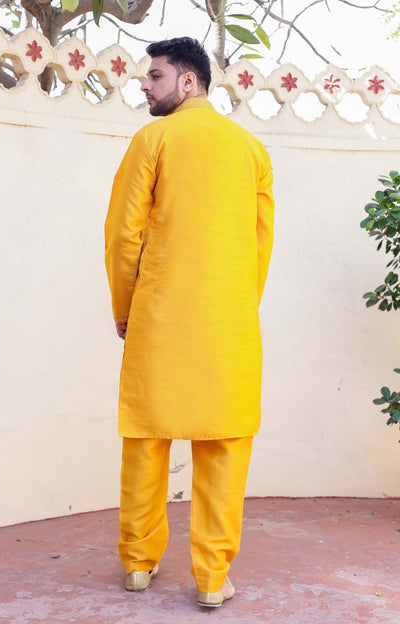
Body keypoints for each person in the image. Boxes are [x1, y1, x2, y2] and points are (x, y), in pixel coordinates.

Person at [104, 37, 274, 608]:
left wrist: (125, 308)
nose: (144, 85)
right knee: (224, 442)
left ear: (188, 81)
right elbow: (260, 243)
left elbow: (123, 236)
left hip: (160, 317)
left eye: (154, 76)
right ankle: (211, 578)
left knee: (147, 439)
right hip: (228, 324)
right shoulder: (250, 149)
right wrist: (237, 306)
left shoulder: (152, 140)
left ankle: (138, 563)